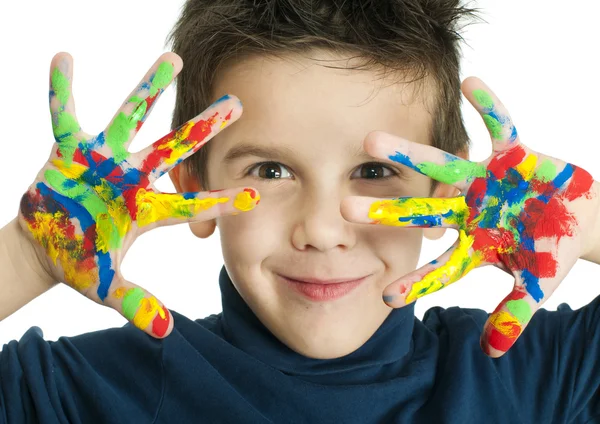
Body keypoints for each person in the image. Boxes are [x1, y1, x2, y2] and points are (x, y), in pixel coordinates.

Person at [1, 0, 600, 422]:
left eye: (374, 172)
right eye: (271, 170)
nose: (321, 230)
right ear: (189, 188)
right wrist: (25, 256)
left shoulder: (536, 377)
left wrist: (586, 220)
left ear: (454, 190)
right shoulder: (83, 393)